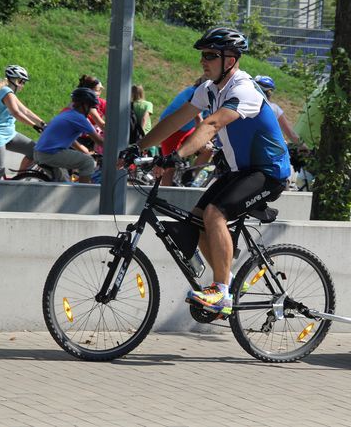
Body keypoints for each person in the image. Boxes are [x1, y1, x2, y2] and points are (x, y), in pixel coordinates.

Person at [123, 27, 291, 316]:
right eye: (203, 55)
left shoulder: (244, 90)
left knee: (215, 213)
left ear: (231, 60)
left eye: (211, 55)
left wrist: (176, 156)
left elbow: (211, 124)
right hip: (240, 171)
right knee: (198, 220)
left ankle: (222, 293)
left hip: (269, 171)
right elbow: (175, 120)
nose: (203, 61)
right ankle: (225, 274)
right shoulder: (209, 89)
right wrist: (137, 147)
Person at [0, 65, 46, 179]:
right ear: (16, 80)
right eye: (22, 82)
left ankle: (18, 179)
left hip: (8, 133)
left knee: (35, 151)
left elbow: (25, 110)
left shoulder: (9, 93)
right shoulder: (6, 92)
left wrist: (43, 124)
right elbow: (16, 113)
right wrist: (34, 126)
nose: (23, 85)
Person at [34, 88, 103, 183]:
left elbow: (72, 141)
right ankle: (83, 194)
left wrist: (85, 151)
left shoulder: (68, 114)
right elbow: (99, 141)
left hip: (40, 153)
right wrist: (118, 150)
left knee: (65, 184)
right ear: (84, 104)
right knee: (88, 162)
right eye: (90, 106)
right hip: (50, 154)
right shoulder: (79, 118)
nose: (91, 110)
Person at [156, 77, 209, 186]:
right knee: (169, 167)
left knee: (208, 150)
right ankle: (166, 192)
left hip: (186, 130)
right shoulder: (193, 93)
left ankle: (189, 178)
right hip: (170, 131)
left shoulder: (209, 97)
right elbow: (199, 120)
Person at [254, 75, 306, 149]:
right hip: (269, 150)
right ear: (269, 92)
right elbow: (291, 134)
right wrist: (303, 145)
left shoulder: (244, 106)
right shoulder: (274, 109)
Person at [76, 75, 106, 152]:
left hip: (93, 138)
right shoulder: (85, 104)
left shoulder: (101, 103)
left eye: (100, 90)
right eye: (98, 90)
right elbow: (102, 124)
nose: (100, 92)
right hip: (80, 139)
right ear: (89, 91)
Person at [131, 84, 157, 156]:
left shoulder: (131, 104)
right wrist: (141, 132)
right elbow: (144, 118)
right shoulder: (148, 104)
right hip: (145, 132)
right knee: (152, 151)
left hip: (133, 134)